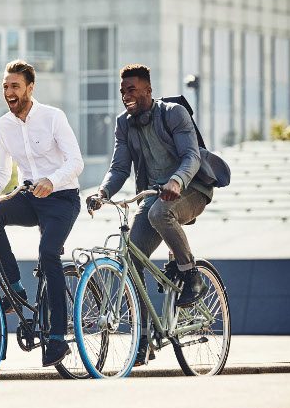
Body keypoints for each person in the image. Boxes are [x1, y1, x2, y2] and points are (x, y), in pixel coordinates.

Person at [87, 63, 230, 364]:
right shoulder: (124, 124)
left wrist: (176, 181)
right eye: (123, 91)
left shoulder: (173, 114)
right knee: (130, 258)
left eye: (133, 89)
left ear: (149, 90)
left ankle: (191, 274)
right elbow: (119, 167)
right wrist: (102, 193)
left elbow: (191, 155)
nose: (127, 95)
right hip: (153, 196)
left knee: (159, 214)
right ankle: (144, 338)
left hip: (191, 190)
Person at [0, 59, 84, 367]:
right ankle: (16, 289)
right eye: (5, 86)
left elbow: (76, 162)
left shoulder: (52, 117)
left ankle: (58, 338)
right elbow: (0, 173)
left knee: (48, 253)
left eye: (15, 86)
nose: (9, 92)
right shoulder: (3, 126)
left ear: (30, 88)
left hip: (62, 199)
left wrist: (53, 180)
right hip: (28, 198)